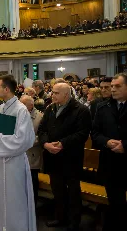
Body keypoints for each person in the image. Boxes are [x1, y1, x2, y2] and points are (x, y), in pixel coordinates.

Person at [0, 74, 36, 231]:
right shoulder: (0, 108)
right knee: (3, 197)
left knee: (15, 198)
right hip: (2, 161)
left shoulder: (21, 110)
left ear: (6, 89)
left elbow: (24, 139)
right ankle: (3, 226)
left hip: (15, 162)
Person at [38, 83, 91, 231]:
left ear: (66, 95)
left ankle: (74, 222)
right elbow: (42, 129)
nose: (51, 95)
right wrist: (46, 144)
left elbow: (82, 133)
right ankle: (60, 217)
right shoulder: (50, 109)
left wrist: (62, 144)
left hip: (70, 157)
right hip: (53, 157)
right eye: (52, 92)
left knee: (73, 192)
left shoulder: (81, 110)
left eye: (55, 93)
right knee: (57, 190)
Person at [92, 73, 127, 231]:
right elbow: (95, 133)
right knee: (115, 202)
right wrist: (106, 141)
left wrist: (125, 145)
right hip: (110, 162)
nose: (112, 89)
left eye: (117, 86)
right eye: (111, 86)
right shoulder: (103, 107)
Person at [20, 95, 44, 204]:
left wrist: (28, 141)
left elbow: (43, 136)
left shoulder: (40, 116)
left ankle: (32, 202)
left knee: (32, 180)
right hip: (19, 153)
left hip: (32, 154)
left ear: (31, 105)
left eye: (23, 104)